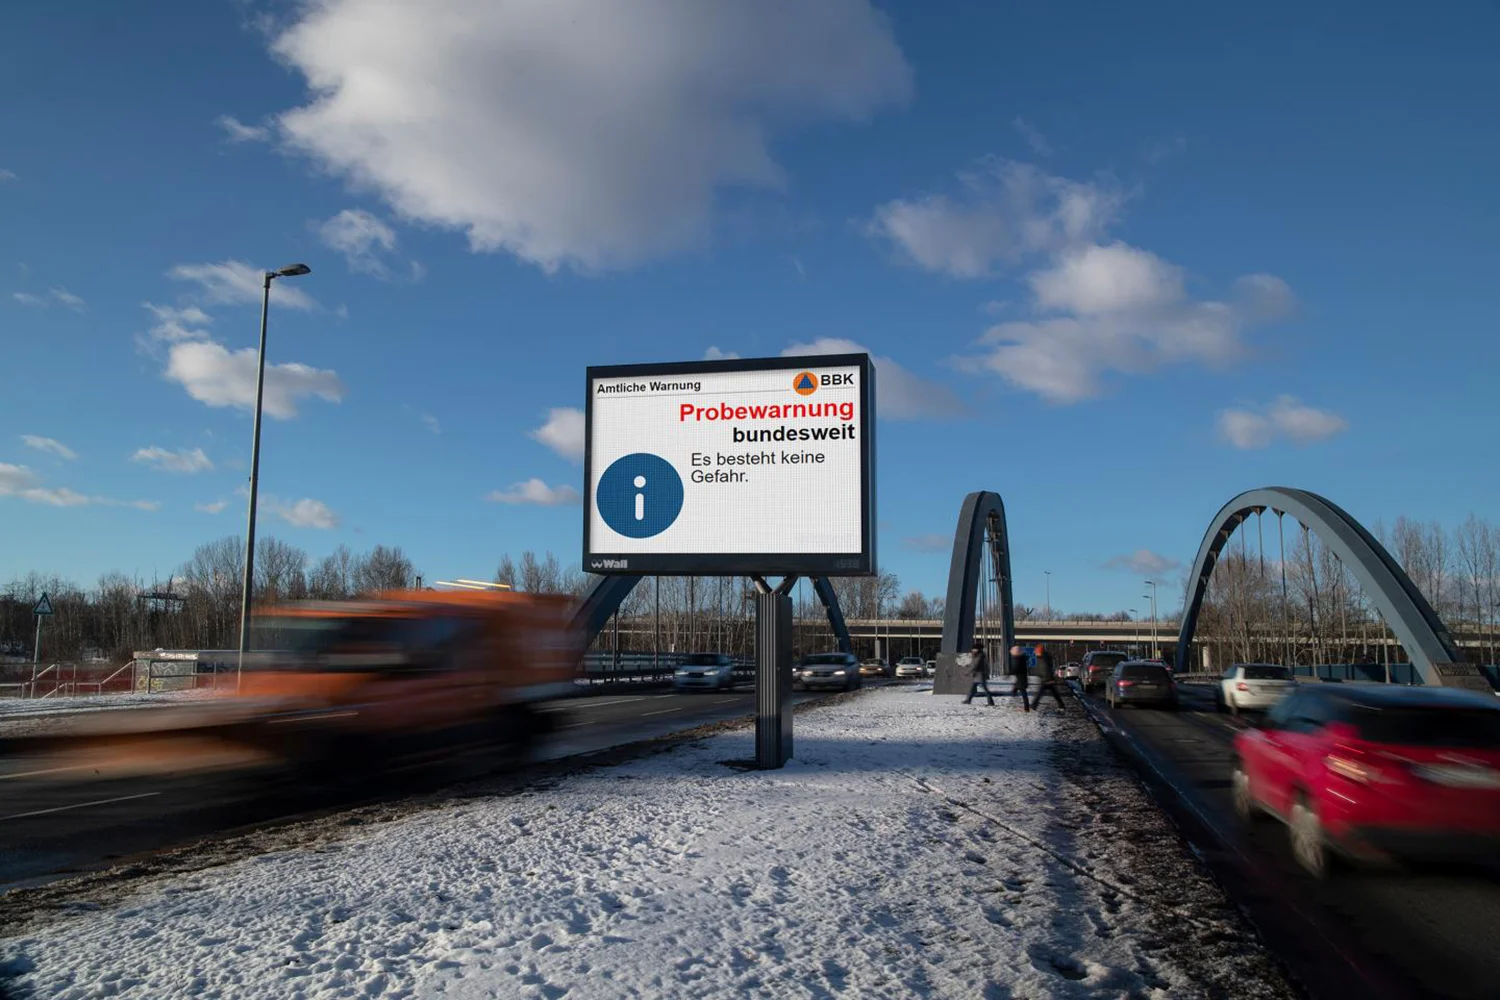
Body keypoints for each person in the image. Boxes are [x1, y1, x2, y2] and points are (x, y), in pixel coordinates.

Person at [963, 640, 995, 705]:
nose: (972, 650)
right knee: (973, 689)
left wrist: (968, 672)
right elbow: (973, 664)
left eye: (974, 649)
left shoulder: (979, 656)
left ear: (977, 649)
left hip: (980, 675)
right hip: (977, 675)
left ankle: (990, 701)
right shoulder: (978, 655)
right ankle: (968, 700)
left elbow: (975, 665)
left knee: (984, 689)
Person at [1034, 644, 1066, 710]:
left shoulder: (1043, 658)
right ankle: (1061, 705)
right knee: (1054, 693)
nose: (1035, 652)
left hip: (1046, 679)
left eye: (1036, 651)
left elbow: (1045, 668)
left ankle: (1034, 705)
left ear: (1039, 651)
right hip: (1046, 678)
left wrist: (1048, 678)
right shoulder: (1043, 657)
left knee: (1040, 693)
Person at [1010, 644, 1033, 712]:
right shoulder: (1021, 658)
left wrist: (1010, 672)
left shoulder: (1018, 659)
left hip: (1021, 678)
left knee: (1023, 693)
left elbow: (1017, 668)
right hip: (1020, 678)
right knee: (1017, 690)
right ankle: (1023, 706)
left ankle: (1026, 708)